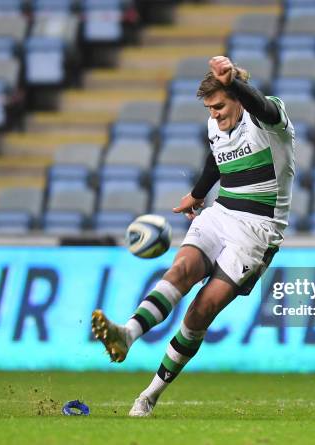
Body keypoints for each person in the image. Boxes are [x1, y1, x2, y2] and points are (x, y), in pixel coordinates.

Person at [91, 55, 296, 417]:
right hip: (220, 213)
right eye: (210, 108)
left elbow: (260, 104)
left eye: (220, 105)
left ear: (236, 96)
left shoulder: (270, 120)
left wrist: (233, 82)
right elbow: (216, 158)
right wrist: (199, 194)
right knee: (180, 270)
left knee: (202, 310)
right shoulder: (214, 124)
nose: (214, 114)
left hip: (257, 230)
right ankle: (126, 335)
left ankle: (149, 395)